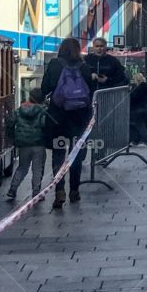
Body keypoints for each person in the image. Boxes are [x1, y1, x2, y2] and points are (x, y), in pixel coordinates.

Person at [42, 37, 96, 208]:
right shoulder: (84, 66)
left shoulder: (54, 64)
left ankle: (59, 191)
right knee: (76, 155)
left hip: (58, 117)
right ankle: (75, 191)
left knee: (58, 154)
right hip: (80, 117)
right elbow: (91, 90)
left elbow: (45, 89)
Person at [5, 88, 48, 202]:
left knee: (22, 167)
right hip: (39, 143)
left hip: (23, 144)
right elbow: (44, 125)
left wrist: (12, 138)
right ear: (42, 99)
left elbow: (10, 123)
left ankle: (12, 189)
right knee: (37, 169)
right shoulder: (43, 111)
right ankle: (36, 193)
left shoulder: (19, 110)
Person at [129, 73, 147, 145]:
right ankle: (138, 140)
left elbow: (132, 98)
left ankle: (145, 140)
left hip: (137, 108)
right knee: (145, 125)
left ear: (136, 79)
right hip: (146, 107)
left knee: (139, 125)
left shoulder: (135, 88)